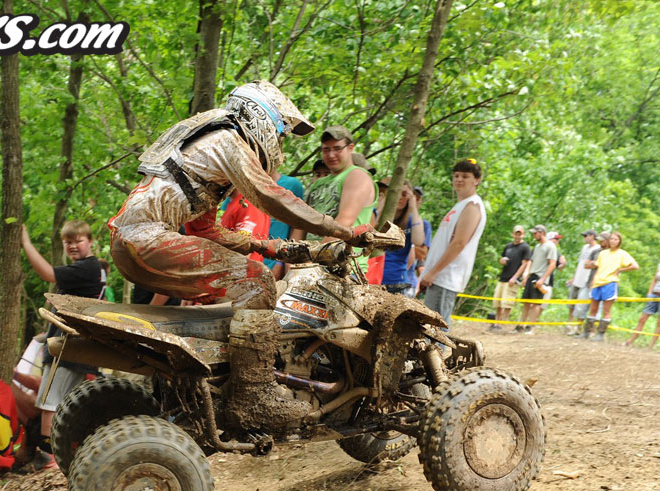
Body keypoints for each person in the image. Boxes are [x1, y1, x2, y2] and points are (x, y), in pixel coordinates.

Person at [107, 81, 384, 430]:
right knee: (258, 282)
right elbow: (273, 197)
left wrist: (274, 247)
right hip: (148, 241)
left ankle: (210, 384)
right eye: (281, 135)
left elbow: (206, 230)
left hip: (132, 243)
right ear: (260, 118)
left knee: (235, 296)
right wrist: (341, 230)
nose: (280, 145)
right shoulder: (228, 140)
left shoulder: (205, 157)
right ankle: (252, 394)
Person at [21, 220, 104, 454]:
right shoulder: (84, 269)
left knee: (51, 402)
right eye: (68, 242)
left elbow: (48, 274)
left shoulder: (88, 267)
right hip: (70, 347)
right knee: (61, 402)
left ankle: (50, 457)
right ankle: (64, 452)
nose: (73, 246)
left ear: (90, 242)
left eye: (78, 240)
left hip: (68, 348)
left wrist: (25, 243)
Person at [419, 158, 487, 329]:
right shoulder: (460, 205)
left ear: (476, 180)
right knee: (428, 329)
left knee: (435, 331)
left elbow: (459, 243)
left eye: (465, 176)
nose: (459, 179)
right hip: (437, 276)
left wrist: (433, 272)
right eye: (456, 175)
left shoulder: (473, 205)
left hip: (446, 276)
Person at [292, 126, 377, 246]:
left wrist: (316, 254)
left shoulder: (357, 176)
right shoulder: (318, 184)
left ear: (350, 148)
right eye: (326, 150)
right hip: (309, 253)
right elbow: (302, 223)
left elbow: (344, 222)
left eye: (337, 148)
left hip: (342, 256)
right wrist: (291, 251)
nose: (331, 155)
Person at [371, 180, 427, 295]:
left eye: (404, 194)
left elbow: (418, 241)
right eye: (396, 193)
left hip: (396, 280)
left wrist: (413, 206)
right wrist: (383, 205)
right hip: (371, 276)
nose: (400, 197)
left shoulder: (412, 221)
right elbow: (368, 229)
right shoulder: (376, 214)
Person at [581, 231, 639, 341]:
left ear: (619, 242)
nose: (613, 241)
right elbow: (598, 267)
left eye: (616, 239)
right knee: (593, 309)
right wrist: (591, 273)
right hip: (598, 282)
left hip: (610, 283)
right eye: (611, 239)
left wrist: (621, 270)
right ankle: (586, 333)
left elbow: (635, 266)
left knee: (606, 311)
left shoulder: (622, 254)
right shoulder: (603, 253)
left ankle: (600, 334)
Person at [625, 246, 660, 347]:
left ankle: (651, 345)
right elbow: (655, 279)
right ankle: (630, 341)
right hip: (655, 294)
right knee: (642, 319)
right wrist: (650, 293)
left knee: (659, 322)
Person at [515, 225, 558, 334]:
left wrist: (543, 279)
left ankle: (531, 327)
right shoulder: (537, 246)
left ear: (541, 233)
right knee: (526, 302)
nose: (534, 235)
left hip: (540, 277)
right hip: (532, 275)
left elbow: (552, 264)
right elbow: (531, 261)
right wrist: (526, 274)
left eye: (535, 233)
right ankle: (521, 326)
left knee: (536, 303)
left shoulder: (551, 246)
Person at [491, 225, 531, 331]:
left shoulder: (525, 247)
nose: (518, 236)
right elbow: (502, 258)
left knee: (507, 303)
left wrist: (515, 277)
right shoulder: (508, 246)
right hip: (503, 277)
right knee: (498, 302)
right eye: (516, 233)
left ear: (523, 235)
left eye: (520, 234)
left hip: (513, 279)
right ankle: (496, 323)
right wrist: (502, 261)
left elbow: (525, 264)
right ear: (513, 234)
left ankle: (502, 325)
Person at [566, 230, 600, 333]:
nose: (584, 238)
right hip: (578, 278)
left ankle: (578, 326)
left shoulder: (597, 249)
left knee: (582, 305)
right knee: (572, 302)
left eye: (586, 236)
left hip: (587, 280)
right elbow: (580, 264)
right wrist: (573, 277)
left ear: (592, 236)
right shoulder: (584, 247)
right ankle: (569, 323)